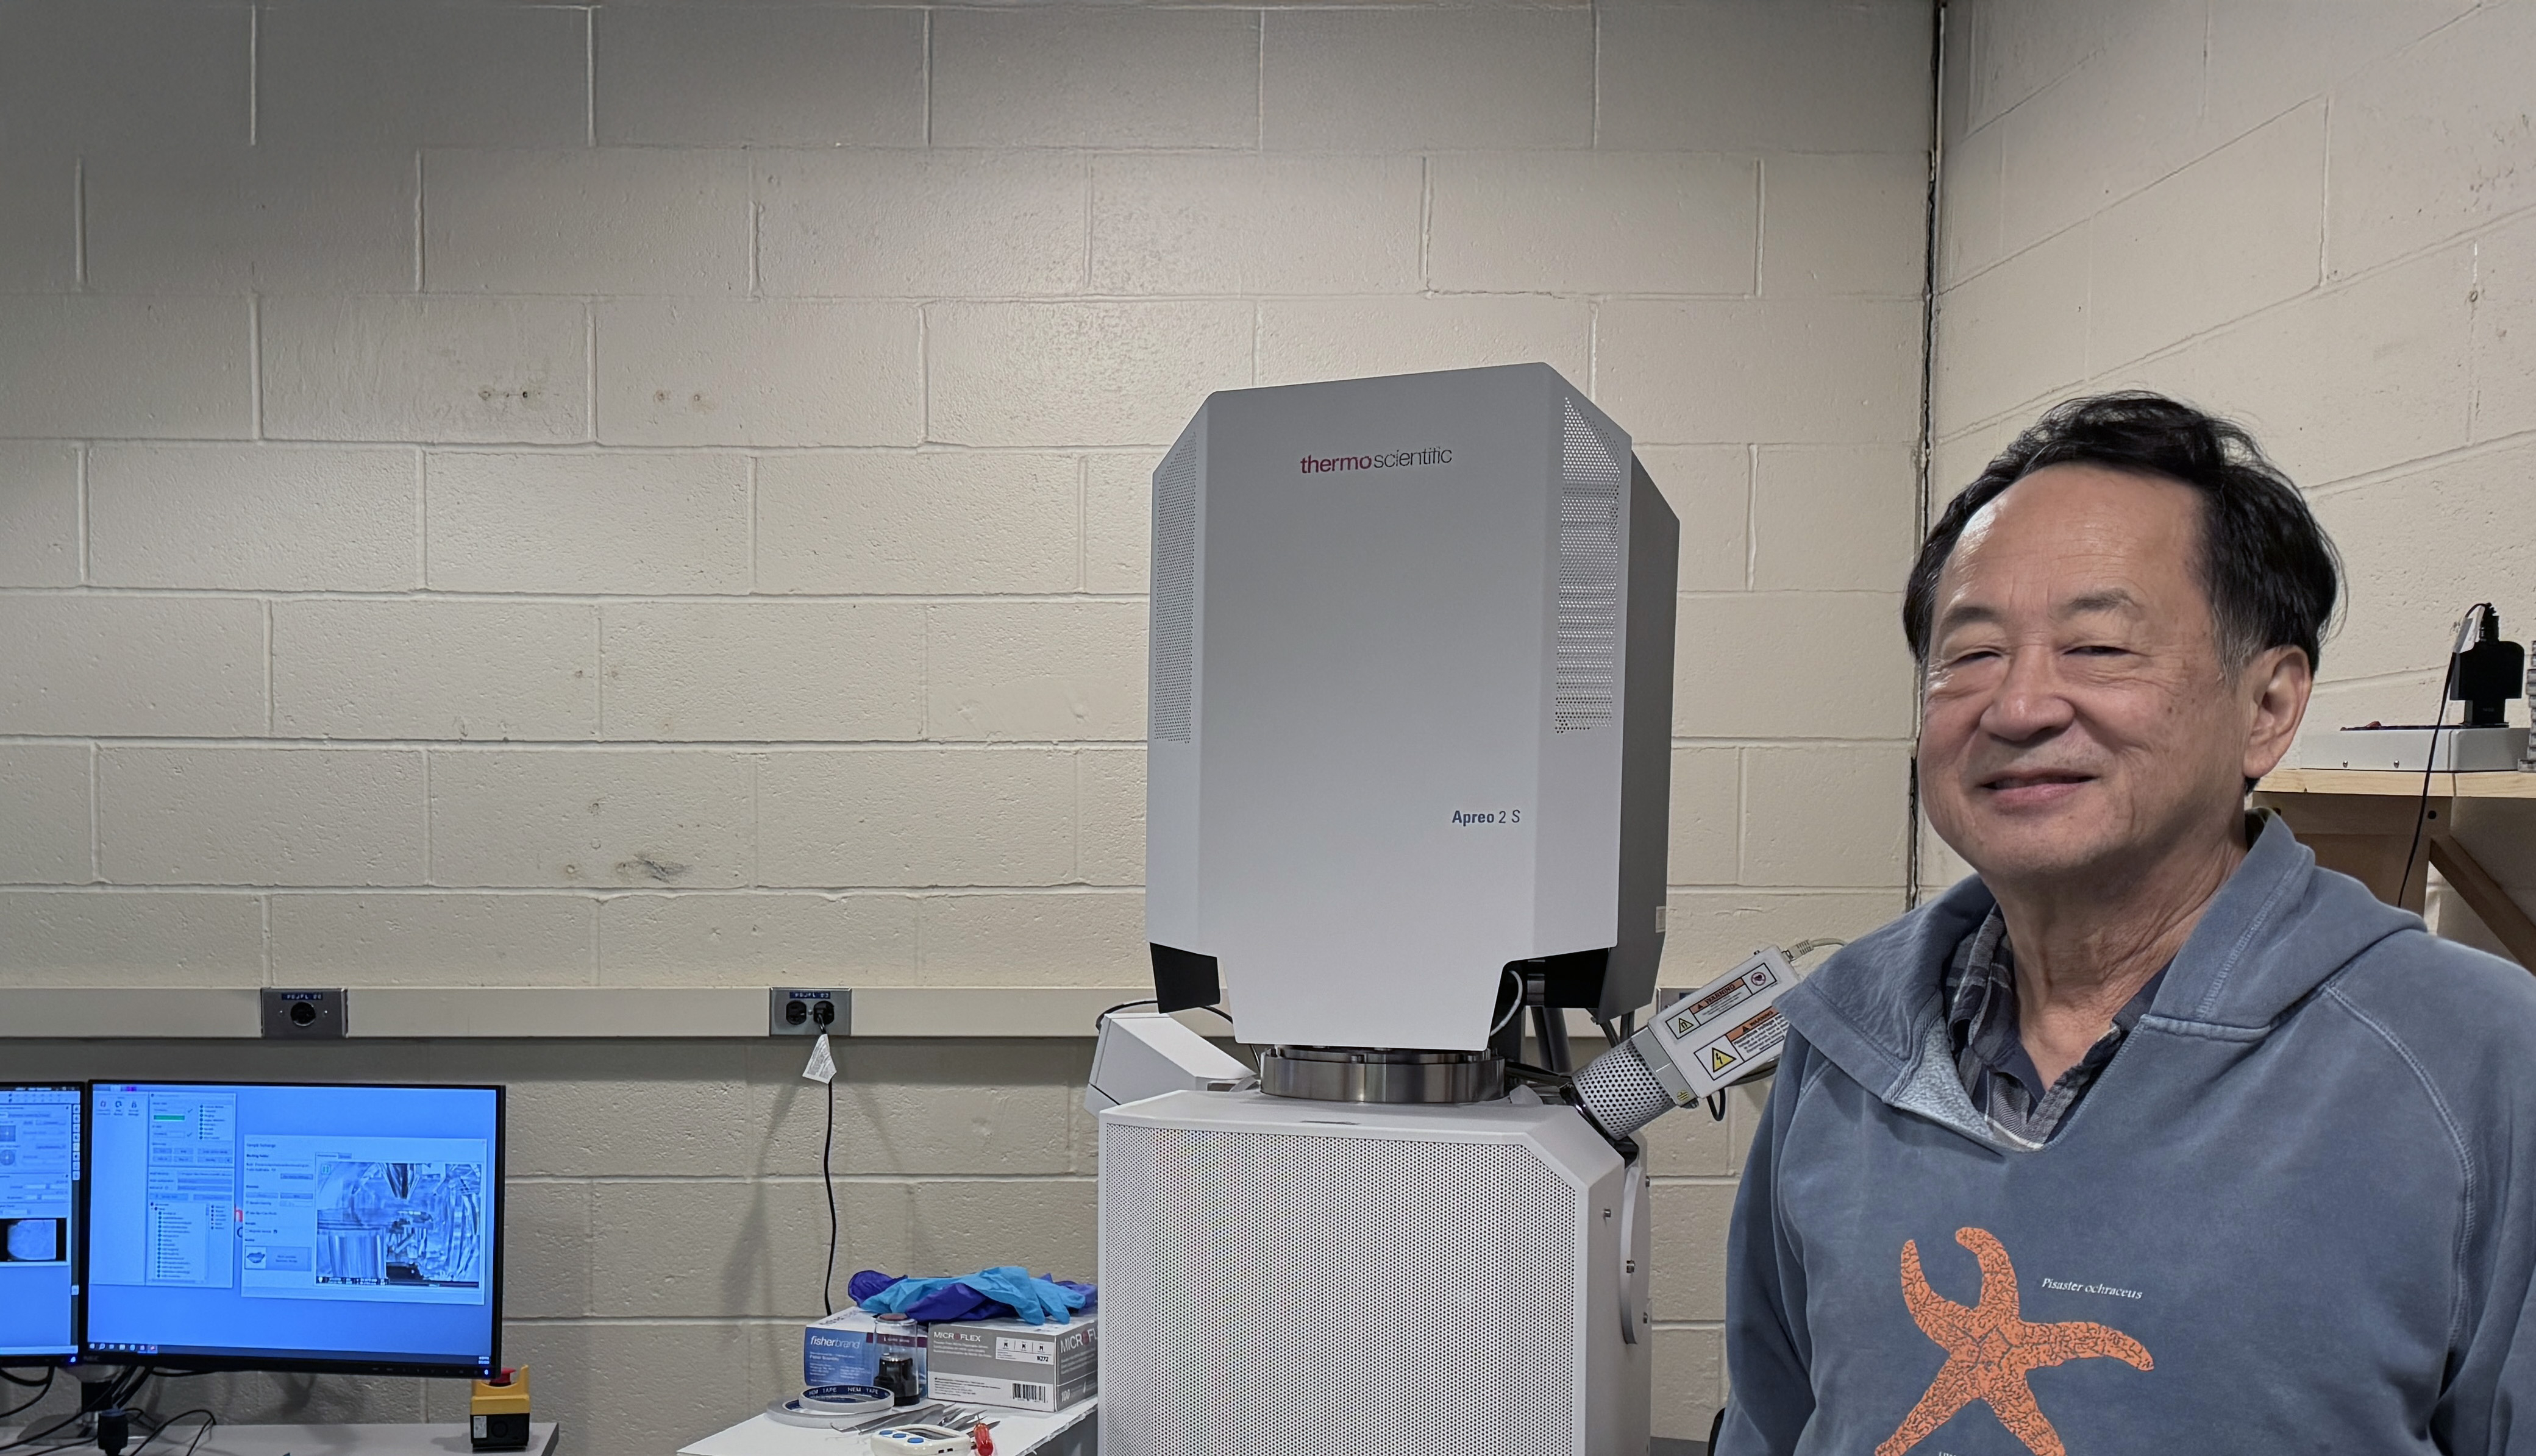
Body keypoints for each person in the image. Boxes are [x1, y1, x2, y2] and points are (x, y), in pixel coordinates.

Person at [1715, 392, 2536, 1455]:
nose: (2019, 707)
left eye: (2099, 646)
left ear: (2268, 707)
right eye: (1970, 654)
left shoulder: (2477, 1062)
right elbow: (1774, 1419)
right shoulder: (1844, 1039)